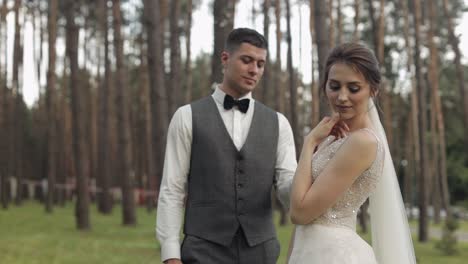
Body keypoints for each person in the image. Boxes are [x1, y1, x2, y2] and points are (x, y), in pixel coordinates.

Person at [156, 28, 297, 264]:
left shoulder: (279, 124)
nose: (254, 70)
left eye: (260, 64)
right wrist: (170, 254)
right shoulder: (187, 116)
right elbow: (172, 189)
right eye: (247, 60)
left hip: (261, 252)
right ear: (225, 59)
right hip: (203, 251)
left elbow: (287, 187)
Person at [288, 43, 416, 264]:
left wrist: (309, 143)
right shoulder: (333, 136)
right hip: (309, 252)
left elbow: (300, 213)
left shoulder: (363, 142)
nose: (342, 97)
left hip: (334, 256)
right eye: (334, 86)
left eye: (354, 88)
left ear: (372, 90)